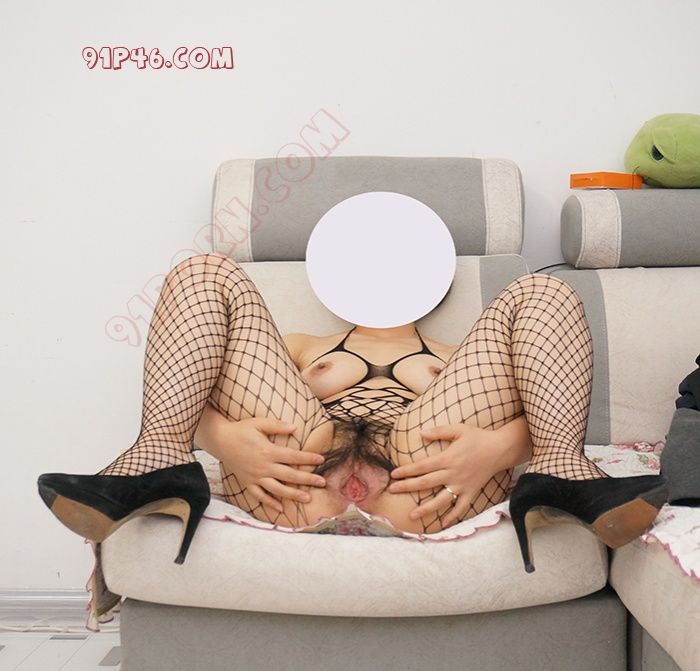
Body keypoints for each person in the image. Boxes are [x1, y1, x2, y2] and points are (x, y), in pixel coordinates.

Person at [38, 252, 667, 573]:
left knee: (544, 289)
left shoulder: (461, 353)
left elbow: (539, 401)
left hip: (422, 476)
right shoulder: (300, 343)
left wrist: (499, 450)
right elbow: (197, 393)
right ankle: (156, 461)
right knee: (204, 271)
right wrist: (227, 442)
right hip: (299, 472)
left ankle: (562, 472)